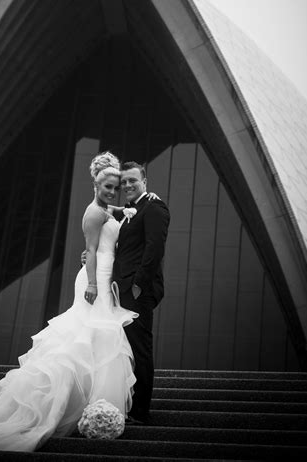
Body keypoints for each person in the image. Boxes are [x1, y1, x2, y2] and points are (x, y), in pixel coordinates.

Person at [0, 151, 139, 452]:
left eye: (115, 186)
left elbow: (110, 222)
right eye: (107, 186)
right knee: (84, 338)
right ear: (96, 183)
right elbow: (91, 251)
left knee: (98, 339)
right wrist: (92, 282)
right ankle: (72, 407)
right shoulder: (94, 212)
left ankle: (94, 405)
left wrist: (125, 211)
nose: (112, 191)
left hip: (106, 274)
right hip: (97, 277)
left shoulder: (106, 209)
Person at [112, 161, 170, 425]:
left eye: (132, 180)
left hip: (137, 291)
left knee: (140, 349)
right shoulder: (128, 212)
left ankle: (140, 411)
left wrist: (137, 285)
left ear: (144, 180)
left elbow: (154, 248)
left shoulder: (154, 207)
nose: (127, 186)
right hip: (120, 290)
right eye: (123, 182)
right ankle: (127, 403)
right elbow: (123, 250)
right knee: (126, 350)